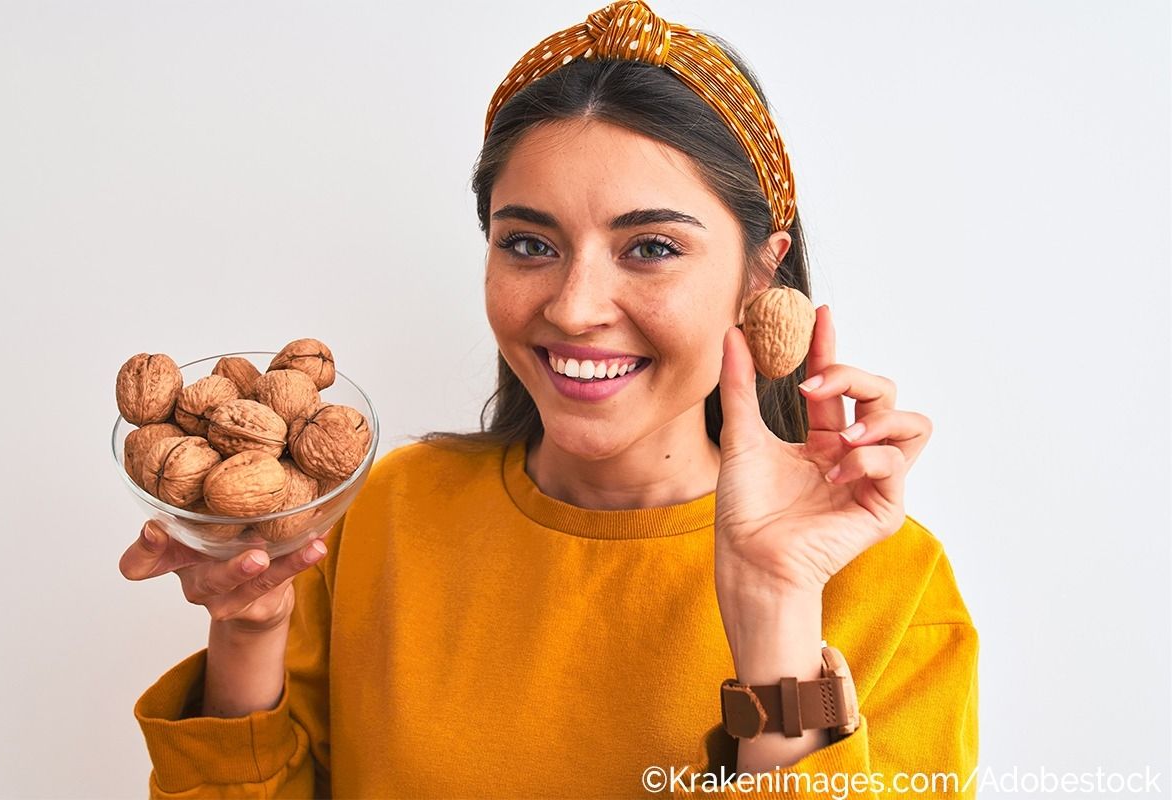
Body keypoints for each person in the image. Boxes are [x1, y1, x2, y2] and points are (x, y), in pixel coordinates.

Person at [119, 1, 978, 797]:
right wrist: (250, 627)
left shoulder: (888, 584)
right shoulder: (382, 511)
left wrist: (776, 613)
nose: (572, 307)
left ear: (761, 273)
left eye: (649, 248)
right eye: (529, 242)